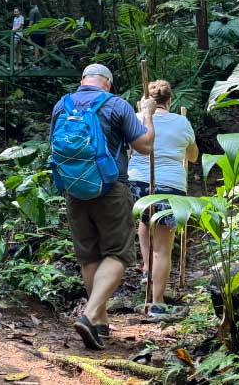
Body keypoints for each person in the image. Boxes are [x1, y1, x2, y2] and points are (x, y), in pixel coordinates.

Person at [50, 64, 156, 350]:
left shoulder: (63, 104)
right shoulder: (116, 105)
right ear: (107, 83)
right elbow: (145, 145)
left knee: (89, 254)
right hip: (111, 188)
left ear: (83, 80)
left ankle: (99, 323)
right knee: (118, 253)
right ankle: (88, 314)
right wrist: (146, 112)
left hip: (74, 190)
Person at [128, 80, 198, 316]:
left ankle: (148, 269)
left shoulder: (137, 118)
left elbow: (128, 151)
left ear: (147, 99)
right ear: (170, 100)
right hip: (171, 186)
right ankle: (157, 303)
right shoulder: (181, 122)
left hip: (138, 182)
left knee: (145, 220)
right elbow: (193, 155)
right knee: (163, 249)